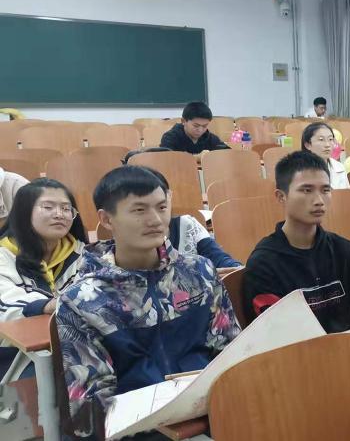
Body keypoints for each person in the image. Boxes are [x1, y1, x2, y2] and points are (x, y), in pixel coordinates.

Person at [58, 166, 240, 432]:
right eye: (139, 210)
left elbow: (230, 349)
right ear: (106, 219)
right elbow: (91, 403)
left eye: (162, 207)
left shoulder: (199, 272)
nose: (156, 219)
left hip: (213, 410)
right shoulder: (82, 301)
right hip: (138, 429)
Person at [243, 151, 350, 332]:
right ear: (281, 196)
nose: (319, 200)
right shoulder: (264, 263)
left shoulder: (345, 250)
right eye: (307, 190)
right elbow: (274, 335)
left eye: (325, 190)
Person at [0, 179, 88, 377]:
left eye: (66, 208)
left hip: (73, 346)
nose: (59, 214)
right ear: (24, 213)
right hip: (13, 354)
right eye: (48, 207)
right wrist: (48, 305)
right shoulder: (4, 255)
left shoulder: (83, 254)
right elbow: (5, 304)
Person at [159, 101, 229, 154]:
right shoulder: (170, 138)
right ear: (183, 121)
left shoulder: (211, 139)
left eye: (204, 126)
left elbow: (228, 155)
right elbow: (166, 160)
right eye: (196, 126)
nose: (200, 130)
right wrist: (198, 157)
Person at [302, 122, 350, 189]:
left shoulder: (339, 167)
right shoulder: (299, 171)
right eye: (321, 140)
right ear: (308, 145)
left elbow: (347, 193)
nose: (327, 145)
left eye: (330, 139)